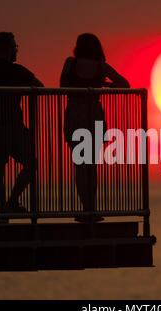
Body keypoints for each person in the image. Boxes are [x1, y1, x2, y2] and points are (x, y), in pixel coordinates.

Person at [0, 32, 44, 220]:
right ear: (8, 48)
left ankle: (3, 209)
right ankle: (12, 201)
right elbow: (40, 87)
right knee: (31, 163)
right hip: (13, 126)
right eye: (14, 46)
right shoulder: (17, 71)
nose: (16, 49)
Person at [60, 33, 130, 222]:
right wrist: (103, 85)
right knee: (91, 165)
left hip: (74, 114)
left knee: (80, 165)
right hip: (94, 116)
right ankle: (92, 208)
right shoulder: (101, 66)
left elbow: (62, 85)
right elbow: (124, 84)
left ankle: (85, 208)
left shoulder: (70, 63)